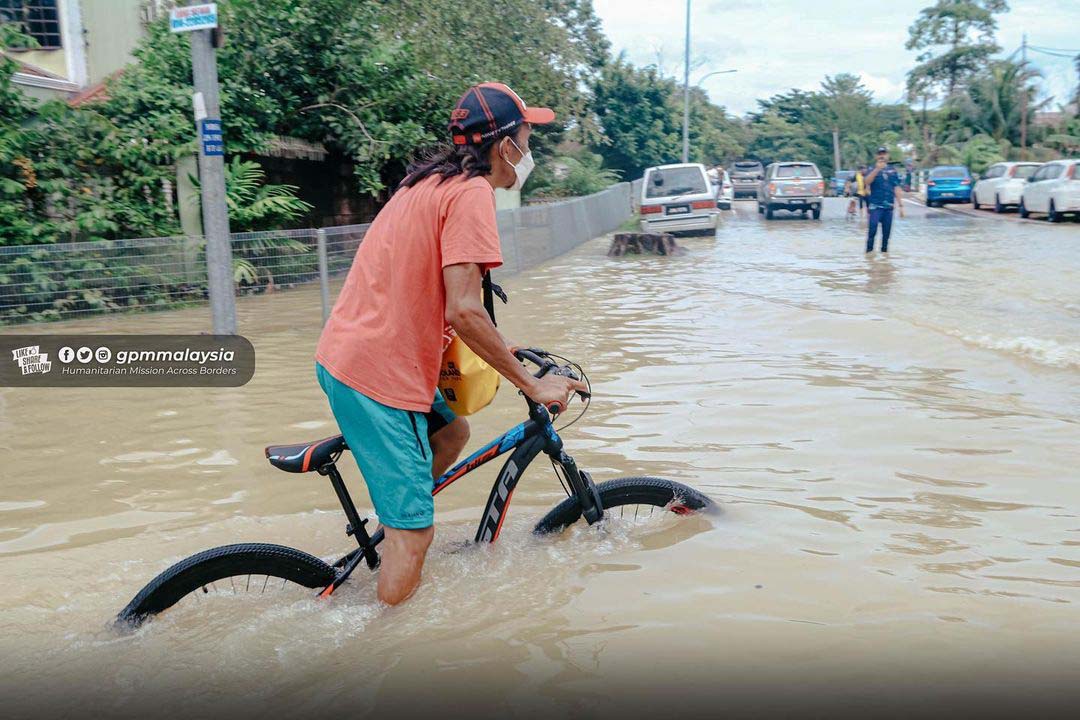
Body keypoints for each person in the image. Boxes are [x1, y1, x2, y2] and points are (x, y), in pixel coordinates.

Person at [314, 83, 587, 606]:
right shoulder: (470, 194)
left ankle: (391, 528)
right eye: (528, 136)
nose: (530, 150)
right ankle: (378, 635)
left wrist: (506, 347)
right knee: (418, 535)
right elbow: (462, 308)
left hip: (355, 355)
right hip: (377, 376)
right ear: (505, 143)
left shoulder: (429, 183)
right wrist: (531, 383)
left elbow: (436, 299)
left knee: (452, 433)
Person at [862, 147, 904, 253]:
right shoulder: (871, 169)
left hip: (888, 207)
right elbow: (866, 182)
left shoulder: (893, 170)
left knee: (886, 234)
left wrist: (901, 206)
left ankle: (884, 257)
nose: (882, 156)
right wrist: (877, 169)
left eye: (884, 154)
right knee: (872, 231)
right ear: (876, 156)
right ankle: (869, 255)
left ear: (888, 156)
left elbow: (897, 188)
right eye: (880, 154)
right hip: (875, 206)